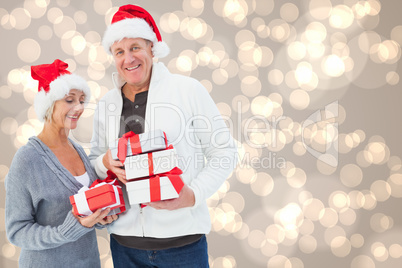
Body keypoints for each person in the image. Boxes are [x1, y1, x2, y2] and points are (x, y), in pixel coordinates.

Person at [89, 4, 238, 267]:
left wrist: (192, 195)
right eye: (119, 51)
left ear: (151, 48)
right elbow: (93, 162)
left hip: (183, 245)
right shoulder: (106, 104)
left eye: (135, 47)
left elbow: (224, 152)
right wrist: (104, 162)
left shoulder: (188, 90)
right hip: (125, 247)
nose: (128, 59)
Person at [5, 59, 117, 268]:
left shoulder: (78, 149)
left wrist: (99, 217)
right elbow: (17, 232)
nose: (79, 107)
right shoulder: (27, 159)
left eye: (82, 100)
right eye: (69, 100)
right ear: (49, 102)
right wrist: (67, 230)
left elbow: (85, 210)